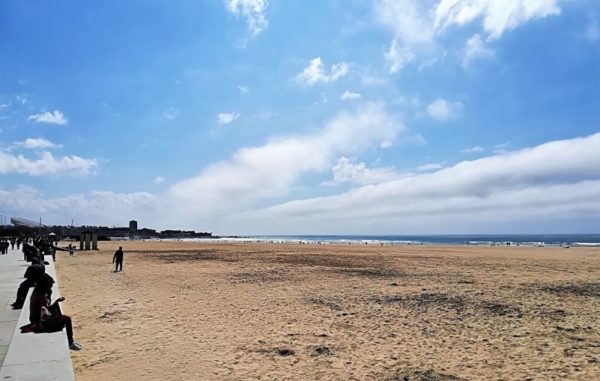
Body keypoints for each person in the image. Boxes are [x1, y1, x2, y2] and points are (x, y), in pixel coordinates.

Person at [29, 273, 81, 351]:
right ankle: (70, 342)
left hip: (36, 317)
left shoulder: (39, 293)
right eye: (50, 285)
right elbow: (45, 311)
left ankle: (71, 341)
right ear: (45, 285)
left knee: (64, 318)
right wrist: (56, 302)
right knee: (67, 319)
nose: (51, 286)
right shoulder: (40, 295)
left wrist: (50, 296)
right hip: (38, 321)